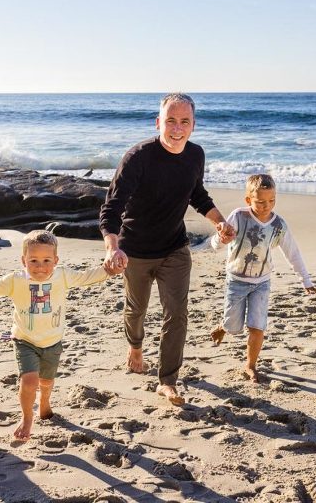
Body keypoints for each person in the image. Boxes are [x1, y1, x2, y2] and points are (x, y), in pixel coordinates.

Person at [99, 92, 235, 406]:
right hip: (135, 250)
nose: (177, 128)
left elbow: (196, 193)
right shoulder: (138, 157)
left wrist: (218, 221)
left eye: (184, 121)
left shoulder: (195, 155)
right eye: (171, 120)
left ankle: (167, 381)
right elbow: (111, 208)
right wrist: (112, 247)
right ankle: (135, 346)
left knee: (177, 314)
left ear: (193, 125)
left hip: (175, 247)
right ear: (158, 122)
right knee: (136, 310)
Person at [0, 230, 112, 440]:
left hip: (53, 341)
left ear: (56, 260)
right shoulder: (15, 280)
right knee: (30, 381)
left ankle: (45, 402)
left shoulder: (63, 276)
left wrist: (109, 270)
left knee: (47, 381)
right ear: (23, 260)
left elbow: (88, 276)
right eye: (33, 260)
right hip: (25, 341)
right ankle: (27, 418)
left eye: (46, 260)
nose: (40, 267)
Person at [209, 173, 316, 382]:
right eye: (260, 202)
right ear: (248, 200)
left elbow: (293, 253)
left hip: (262, 282)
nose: (266, 206)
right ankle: (224, 326)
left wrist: (306, 281)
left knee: (257, 326)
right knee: (234, 327)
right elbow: (215, 244)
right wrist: (221, 238)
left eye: (272, 201)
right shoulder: (238, 216)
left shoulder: (278, 224)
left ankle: (250, 365)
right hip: (236, 281)